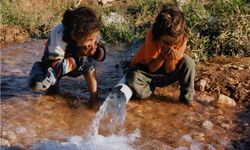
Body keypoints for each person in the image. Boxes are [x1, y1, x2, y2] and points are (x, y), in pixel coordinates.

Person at [28, 6, 106, 108]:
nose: (93, 42)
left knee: (89, 66)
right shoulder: (58, 34)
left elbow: (102, 56)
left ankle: (94, 100)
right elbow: (57, 68)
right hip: (55, 63)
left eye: (94, 39)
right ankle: (51, 91)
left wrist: (95, 53)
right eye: (91, 39)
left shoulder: (92, 31)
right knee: (41, 84)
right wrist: (79, 55)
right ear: (75, 36)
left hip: (78, 58)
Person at [125, 5, 195, 106]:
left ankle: (186, 99)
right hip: (148, 71)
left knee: (189, 63)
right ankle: (148, 91)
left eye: (174, 44)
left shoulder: (182, 39)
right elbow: (152, 68)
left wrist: (170, 58)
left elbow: (169, 70)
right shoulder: (152, 35)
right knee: (132, 77)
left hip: (166, 74)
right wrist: (162, 55)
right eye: (166, 43)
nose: (170, 46)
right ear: (159, 36)